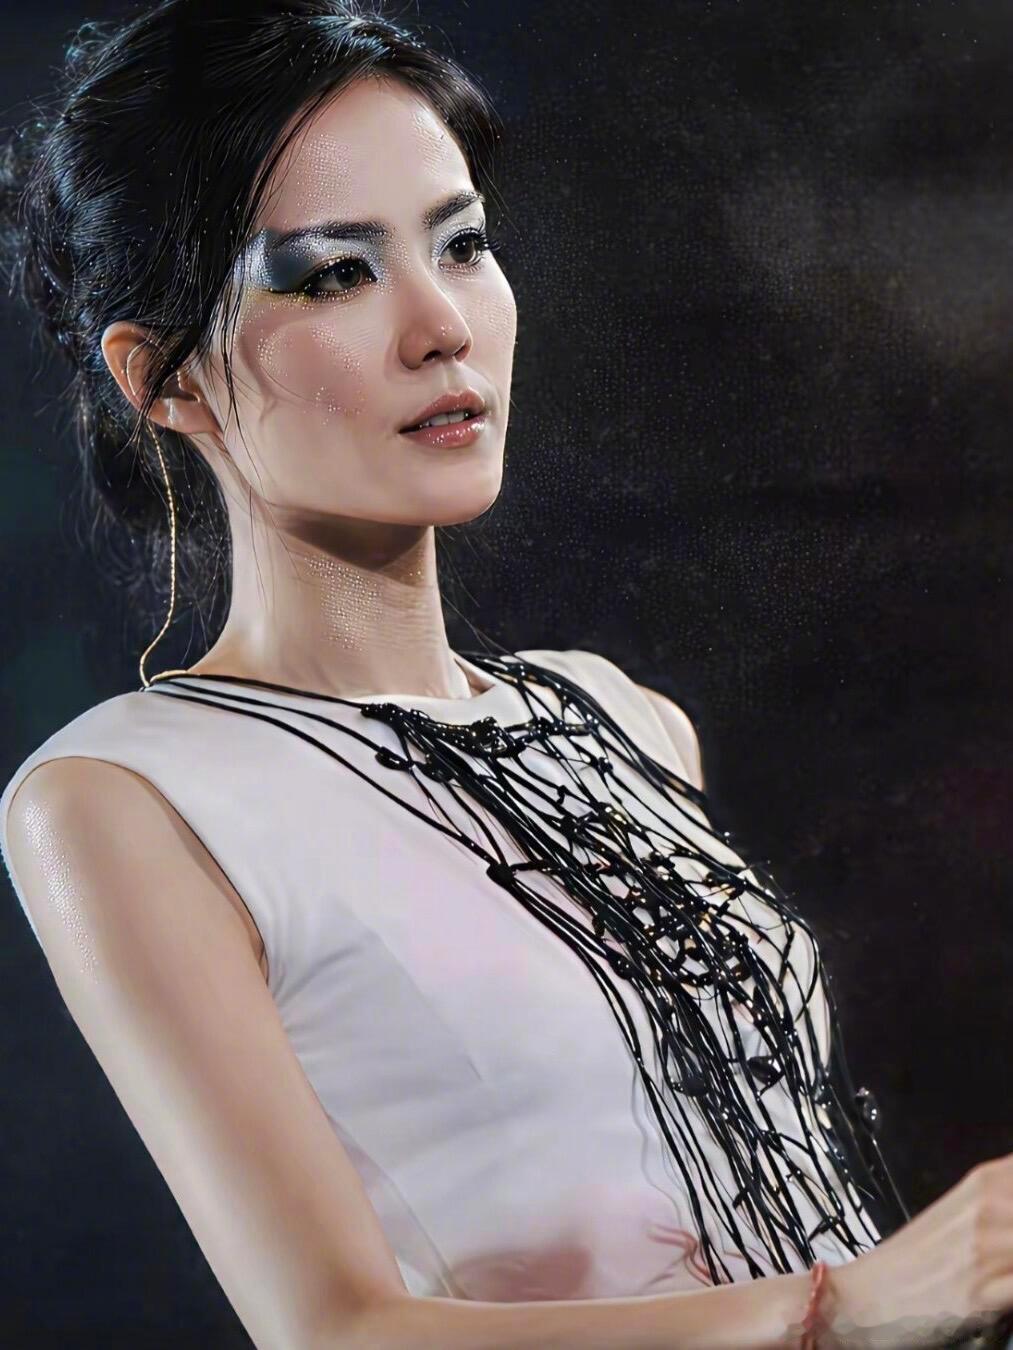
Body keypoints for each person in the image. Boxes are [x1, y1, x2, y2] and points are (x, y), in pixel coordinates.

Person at [1, 3, 1011, 1347]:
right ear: (162, 378)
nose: (441, 326)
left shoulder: (619, 716)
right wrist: (851, 1308)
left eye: (462, 244)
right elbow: (336, 1332)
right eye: (333, 274)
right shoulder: (126, 798)